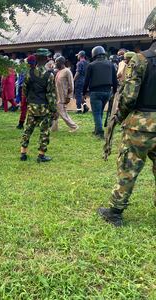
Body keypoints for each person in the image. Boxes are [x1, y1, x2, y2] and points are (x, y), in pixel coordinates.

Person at [98, 8, 156, 227]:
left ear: (152, 31)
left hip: (140, 126)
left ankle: (115, 211)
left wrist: (120, 117)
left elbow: (129, 97)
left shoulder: (140, 60)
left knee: (128, 169)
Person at [20, 48, 57, 163]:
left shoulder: (29, 73)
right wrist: (53, 109)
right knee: (44, 131)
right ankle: (41, 156)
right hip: (44, 108)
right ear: (46, 59)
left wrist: (30, 100)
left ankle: (23, 153)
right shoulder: (49, 75)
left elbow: (24, 90)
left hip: (32, 107)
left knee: (28, 129)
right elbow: (51, 94)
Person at [83, 46, 118, 138]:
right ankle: (96, 129)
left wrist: (84, 93)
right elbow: (115, 80)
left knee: (97, 113)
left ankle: (99, 132)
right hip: (107, 92)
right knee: (100, 111)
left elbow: (86, 81)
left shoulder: (91, 65)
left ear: (94, 54)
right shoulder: (110, 64)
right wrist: (115, 92)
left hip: (95, 92)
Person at [51, 56, 79, 132]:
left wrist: (69, 96)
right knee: (55, 112)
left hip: (63, 96)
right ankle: (54, 128)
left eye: (56, 62)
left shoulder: (67, 71)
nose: (55, 64)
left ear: (61, 63)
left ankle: (74, 127)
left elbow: (71, 84)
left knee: (62, 113)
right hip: (57, 96)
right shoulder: (58, 71)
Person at [17, 55, 36, 129]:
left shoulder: (25, 70)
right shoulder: (37, 71)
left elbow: (22, 81)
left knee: (24, 108)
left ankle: (21, 123)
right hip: (32, 92)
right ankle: (32, 123)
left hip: (25, 91)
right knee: (33, 108)